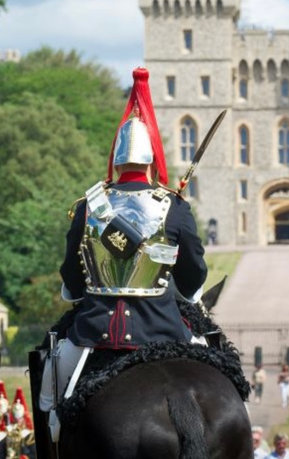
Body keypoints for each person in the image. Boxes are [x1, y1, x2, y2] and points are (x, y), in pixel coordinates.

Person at [38, 67, 208, 440]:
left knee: (49, 402)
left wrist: (78, 291)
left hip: (92, 331)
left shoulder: (89, 205)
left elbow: (72, 273)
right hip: (164, 327)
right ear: (151, 160)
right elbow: (194, 273)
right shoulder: (173, 206)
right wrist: (184, 291)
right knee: (221, 374)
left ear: (115, 158)